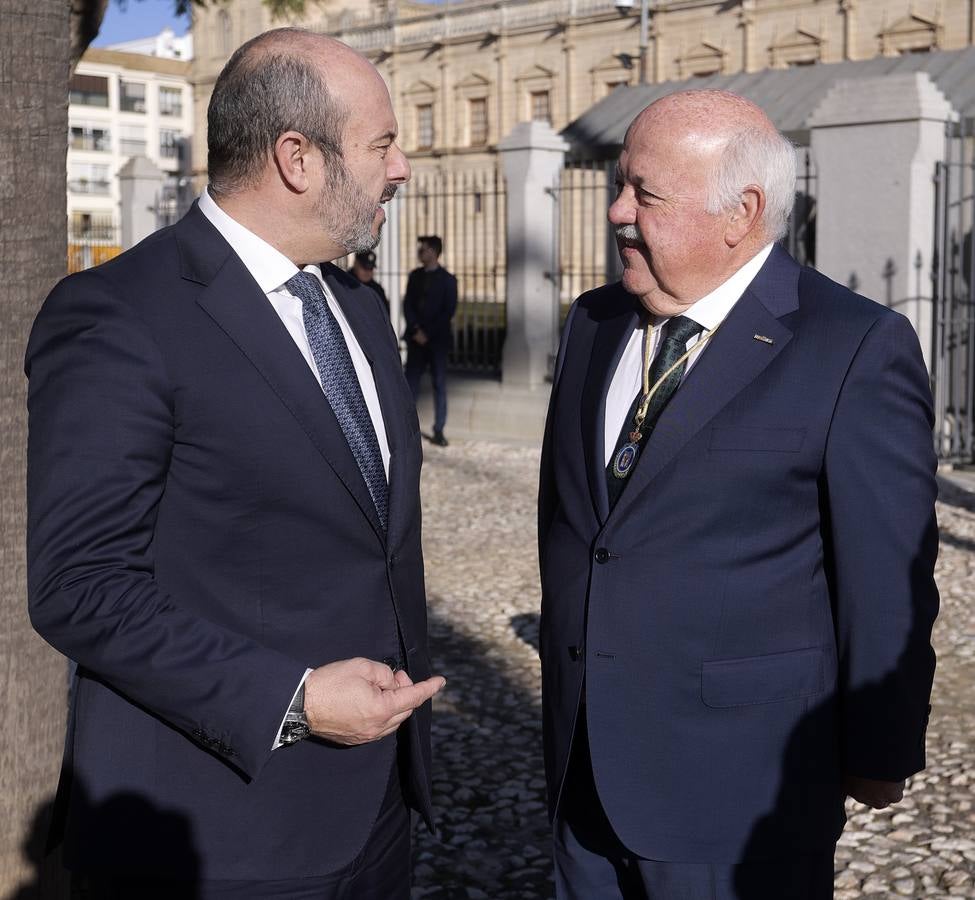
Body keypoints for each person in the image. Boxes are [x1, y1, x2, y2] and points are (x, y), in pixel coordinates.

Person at [26, 27, 446, 899]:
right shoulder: (118, 316)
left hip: (378, 811)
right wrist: (289, 698)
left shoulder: (358, 307)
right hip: (218, 832)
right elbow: (81, 584)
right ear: (297, 157)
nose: (400, 167)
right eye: (381, 144)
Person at [537, 89, 939, 900]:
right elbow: (577, 526)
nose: (616, 211)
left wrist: (879, 749)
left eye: (643, 194)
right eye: (620, 185)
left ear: (740, 212)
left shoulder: (852, 346)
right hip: (580, 774)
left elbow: (884, 577)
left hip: (736, 795)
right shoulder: (592, 322)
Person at [403, 235, 457, 447]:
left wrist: (428, 333)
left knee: (439, 385)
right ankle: (407, 429)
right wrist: (416, 329)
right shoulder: (414, 276)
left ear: (434, 252)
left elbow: (448, 311)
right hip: (416, 340)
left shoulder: (448, 280)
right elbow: (408, 304)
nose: (420, 252)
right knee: (410, 385)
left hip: (437, 342)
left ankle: (439, 430)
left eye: (423, 249)